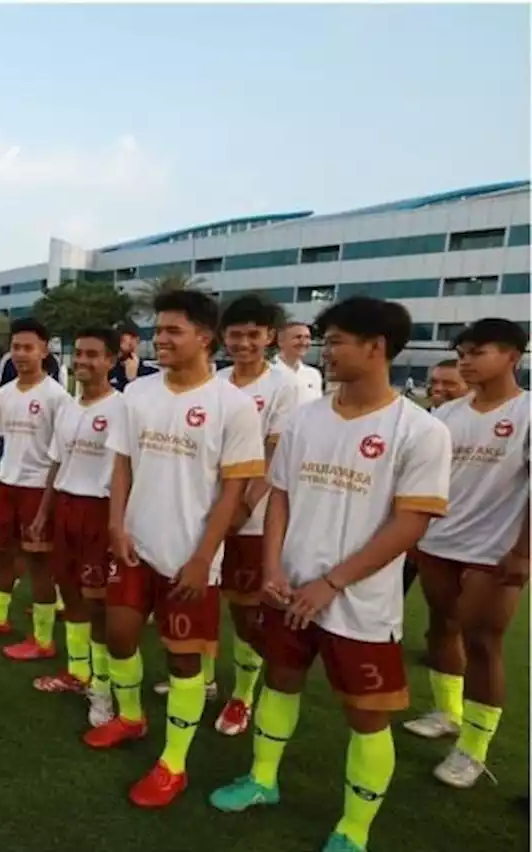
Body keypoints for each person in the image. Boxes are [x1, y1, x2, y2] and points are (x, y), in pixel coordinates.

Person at [209, 296, 451, 852]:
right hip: (289, 588)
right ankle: (262, 780)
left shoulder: (419, 431)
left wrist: (332, 582)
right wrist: (273, 566)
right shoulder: (305, 418)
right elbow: (281, 500)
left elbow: (409, 524)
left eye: (337, 340)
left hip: (360, 605)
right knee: (281, 680)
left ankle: (353, 830)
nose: (326, 350)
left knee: (367, 715)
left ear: (376, 347)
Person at [89, 290, 264, 812]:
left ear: (204, 338)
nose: (159, 340)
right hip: (135, 545)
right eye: (157, 331)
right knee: (119, 634)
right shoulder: (137, 395)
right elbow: (122, 465)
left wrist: (202, 555)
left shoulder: (232, 405)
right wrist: (117, 525)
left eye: (172, 331)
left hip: (191, 556)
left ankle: (174, 764)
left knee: (183, 660)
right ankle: (130, 716)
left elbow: (235, 492)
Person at [403, 318, 529, 789]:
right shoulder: (447, 416)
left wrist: (523, 553)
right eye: (462, 353)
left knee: (482, 642)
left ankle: (473, 749)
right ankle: (447, 711)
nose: (466, 361)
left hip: (494, 551)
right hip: (438, 543)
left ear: (513, 356)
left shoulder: (526, 413)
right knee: (441, 626)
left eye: (478, 352)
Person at [205, 294, 300, 737]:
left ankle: (243, 695)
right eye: (236, 334)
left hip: (254, 519)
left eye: (253, 335)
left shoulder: (284, 387)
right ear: (223, 337)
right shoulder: (216, 380)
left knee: (246, 610)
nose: (243, 343)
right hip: (207, 511)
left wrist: (245, 505)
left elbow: (276, 453)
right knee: (201, 596)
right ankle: (202, 680)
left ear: (269, 337)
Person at [28, 328, 126, 731]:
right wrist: (42, 512)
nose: (83, 361)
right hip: (65, 508)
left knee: (98, 601)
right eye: (79, 353)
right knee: (69, 593)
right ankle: (78, 671)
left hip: (99, 511)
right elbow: (56, 462)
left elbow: (126, 471)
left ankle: (102, 688)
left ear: (111, 360)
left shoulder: (123, 408)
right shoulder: (68, 406)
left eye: (93, 354)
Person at [0, 318, 71, 652]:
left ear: (44, 350)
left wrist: (50, 501)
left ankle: (42, 639)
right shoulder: (6, 393)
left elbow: (62, 453)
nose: (21, 354)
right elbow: (2, 442)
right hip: (7, 484)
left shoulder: (57, 396)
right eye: (16, 347)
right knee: (3, 554)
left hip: (38, 489)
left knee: (39, 564)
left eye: (29, 347)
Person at [402, 357, 471, 595]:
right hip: (409, 529)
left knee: (449, 615)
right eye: (434, 382)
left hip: (458, 537)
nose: (439, 388)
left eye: (449, 383)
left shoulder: (483, 428)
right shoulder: (413, 423)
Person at [275, 320, 325, 403]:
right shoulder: (267, 372)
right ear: (281, 342)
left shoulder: (313, 374)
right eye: (298, 337)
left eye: (307, 337)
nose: (303, 342)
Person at [109, 321, 159, 392]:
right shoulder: (108, 370)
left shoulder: (151, 372)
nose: (115, 345)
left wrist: (132, 379)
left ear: (135, 341)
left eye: (121, 340)